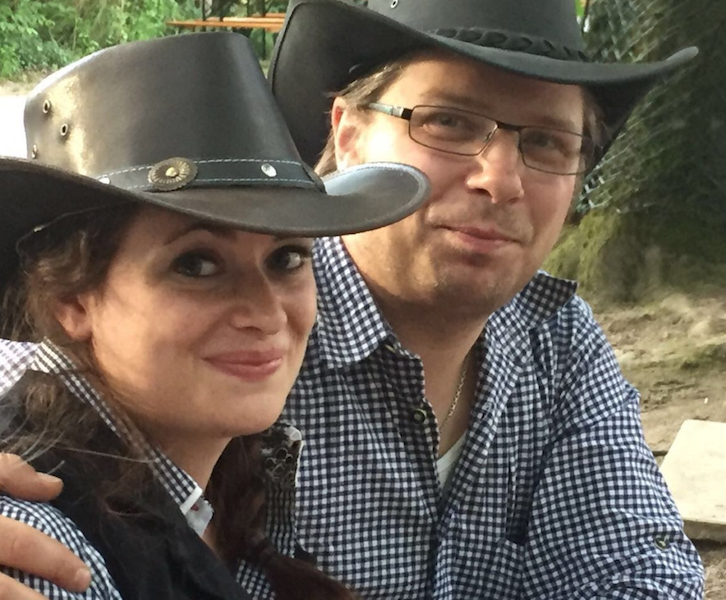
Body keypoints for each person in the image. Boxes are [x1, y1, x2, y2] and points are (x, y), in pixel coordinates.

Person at [0, 0, 707, 598]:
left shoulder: (556, 337)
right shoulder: (226, 372)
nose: (500, 179)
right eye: (450, 122)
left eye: (547, 142)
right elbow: (45, 392)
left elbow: (639, 568)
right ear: (346, 134)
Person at [0, 31, 429, 600]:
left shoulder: (223, 479)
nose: (265, 312)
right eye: (197, 265)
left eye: (286, 258)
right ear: (73, 302)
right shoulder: (42, 549)